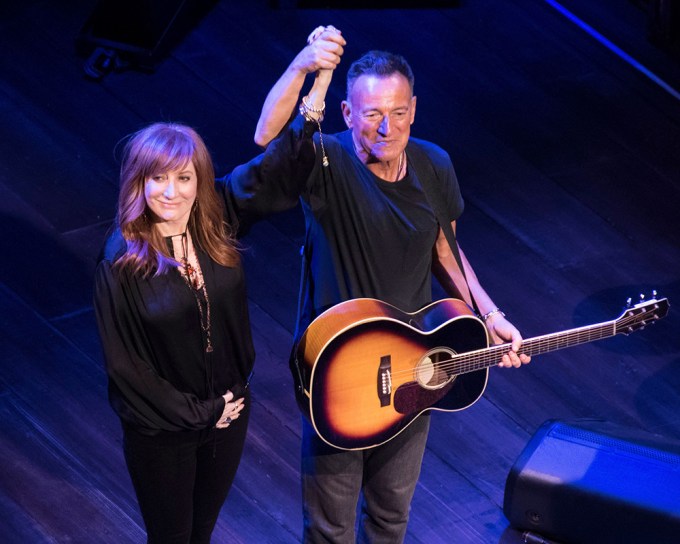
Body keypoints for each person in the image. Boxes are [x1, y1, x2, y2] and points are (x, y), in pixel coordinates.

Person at [247, 26, 532, 543]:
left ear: (414, 110)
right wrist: (303, 68)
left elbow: (446, 250)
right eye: (372, 114)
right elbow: (267, 137)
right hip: (340, 370)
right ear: (349, 114)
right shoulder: (325, 161)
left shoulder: (433, 163)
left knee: (390, 518)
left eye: (398, 112)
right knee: (330, 528)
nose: (386, 127)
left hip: (414, 365)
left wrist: (490, 318)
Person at [92, 120, 312, 543]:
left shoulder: (214, 223)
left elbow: (267, 173)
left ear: (200, 182)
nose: (171, 191)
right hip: (163, 432)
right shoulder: (120, 262)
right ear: (138, 182)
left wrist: (312, 96)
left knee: (201, 534)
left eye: (183, 178)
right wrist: (203, 413)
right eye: (157, 178)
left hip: (228, 414)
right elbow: (127, 368)